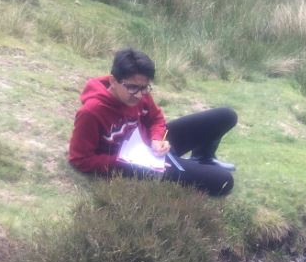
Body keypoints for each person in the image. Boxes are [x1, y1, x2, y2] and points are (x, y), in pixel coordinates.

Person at [69, 47, 237, 196]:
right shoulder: (91, 112)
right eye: (132, 87)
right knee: (224, 182)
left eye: (145, 88)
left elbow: (156, 118)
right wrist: (123, 163)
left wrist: (157, 139)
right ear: (113, 81)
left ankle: (202, 158)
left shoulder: (140, 92)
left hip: (152, 147)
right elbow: (80, 159)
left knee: (226, 116)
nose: (139, 94)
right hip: (136, 164)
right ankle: (190, 167)